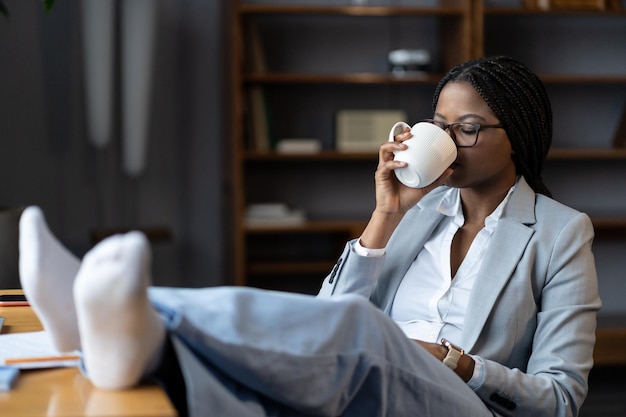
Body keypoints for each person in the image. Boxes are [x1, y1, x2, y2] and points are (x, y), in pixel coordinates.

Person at [18, 56, 600, 417]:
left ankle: (141, 315)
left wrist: (456, 363)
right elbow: (329, 312)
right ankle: (133, 347)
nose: (449, 140)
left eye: (467, 130)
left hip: (461, 401)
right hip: (373, 381)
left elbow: (561, 398)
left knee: (365, 333)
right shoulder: (423, 211)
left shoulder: (558, 233)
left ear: (518, 136)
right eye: (440, 127)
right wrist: (386, 213)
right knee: (268, 394)